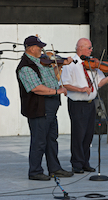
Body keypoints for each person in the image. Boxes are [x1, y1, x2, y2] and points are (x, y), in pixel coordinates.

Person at [16, 35, 74, 181]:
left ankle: (55, 169)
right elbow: (36, 88)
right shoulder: (25, 67)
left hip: (50, 107)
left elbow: (53, 79)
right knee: (39, 140)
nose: (42, 49)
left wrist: (60, 65)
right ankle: (35, 171)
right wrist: (57, 91)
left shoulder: (43, 62)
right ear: (31, 48)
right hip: (38, 108)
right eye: (39, 47)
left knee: (51, 139)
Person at [61, 38, 108, 174]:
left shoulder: (91, 64)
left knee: (88, 135)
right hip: (77, 104)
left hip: (90, 104)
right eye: (89, 47)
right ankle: (76, 163)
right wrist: (81, 89)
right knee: (78, 134)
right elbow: (65, 84)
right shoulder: (70, 64)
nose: (91, 50)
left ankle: (85, 162)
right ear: (80, 48)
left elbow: (99, 83)